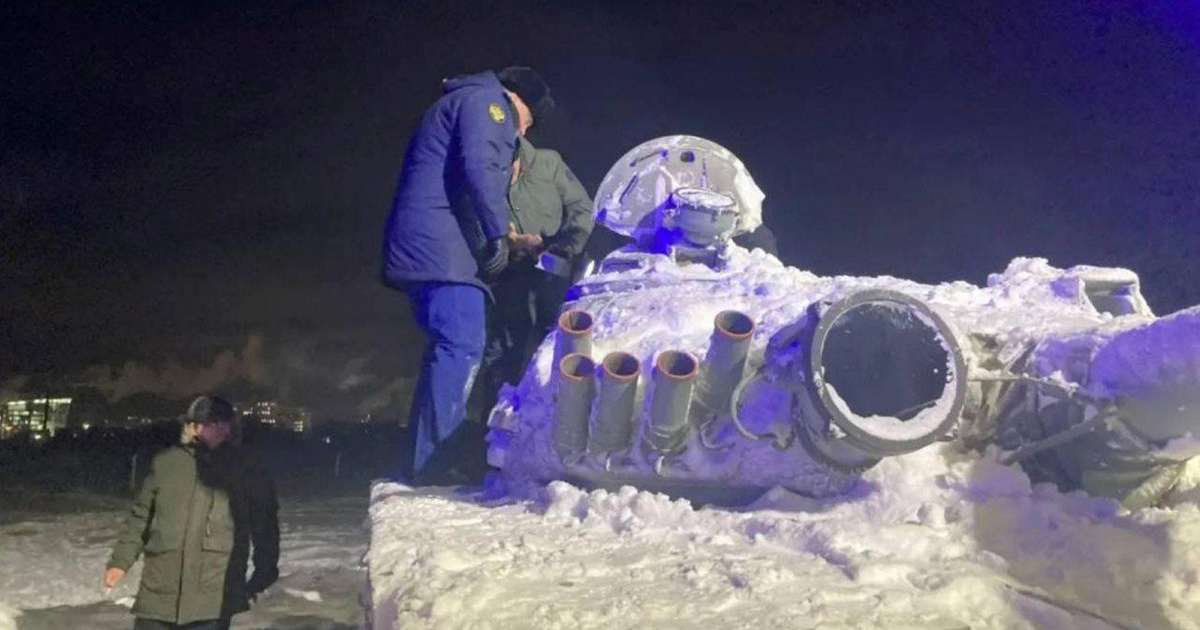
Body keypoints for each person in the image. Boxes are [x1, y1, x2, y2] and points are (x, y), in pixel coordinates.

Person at [381, 67, 555, 484]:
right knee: (461, 344)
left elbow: (464, 181)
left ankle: (424, 461)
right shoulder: (490, 103)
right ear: (519, 100)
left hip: (437, 246)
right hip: (441, 250)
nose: (522, 133)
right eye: (527, 122)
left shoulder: (466, 101)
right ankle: (433, 463)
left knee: (451, 347)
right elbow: (480, 166)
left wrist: (509, 239)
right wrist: (496, 235)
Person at [104, 396, 279, 630]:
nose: (219, 428)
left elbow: (264, 525)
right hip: (159, 591)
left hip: (213, 596)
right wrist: (120, 562)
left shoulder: (248, 468)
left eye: (224, 422)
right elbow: (140, 518)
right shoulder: (166, 463)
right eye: (211, 422)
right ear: (193, 426)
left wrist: (265, 570)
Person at [478, 135, 594, 409]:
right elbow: (477, 234)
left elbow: (581, 207)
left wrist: (569, 244)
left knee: (557, 345)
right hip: (507, 279)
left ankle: (551, 415)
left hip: (554, 277)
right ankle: (494, 419)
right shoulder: (483, 178)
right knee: (504, 349)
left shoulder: (548, 163)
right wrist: (513, 243)